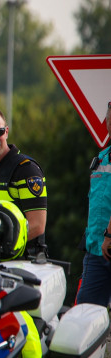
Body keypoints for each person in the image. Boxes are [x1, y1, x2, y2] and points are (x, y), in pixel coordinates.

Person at [0, 106, 48, 258]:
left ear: (6, 132)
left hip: (25, 261)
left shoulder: (26, 169)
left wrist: (0, 245)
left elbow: (38, 226)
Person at [77, 101, 111, 308]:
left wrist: (109, 235)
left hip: (107, 241)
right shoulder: (103, 157)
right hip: (96, 250)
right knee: (85, 314)